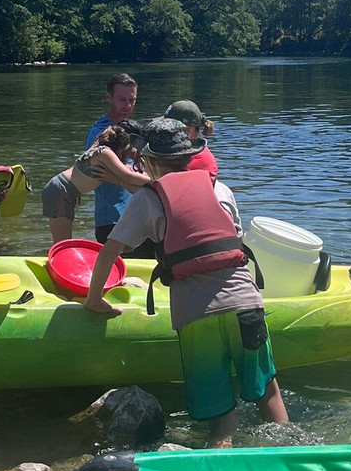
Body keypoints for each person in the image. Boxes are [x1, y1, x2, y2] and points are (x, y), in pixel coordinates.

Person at [83, 118, 289, 448]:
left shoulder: (147, 199)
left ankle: (221, 460)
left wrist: (94, 299)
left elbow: (109, 252)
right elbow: (232, 244)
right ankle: (293, 452)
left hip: (196, 315)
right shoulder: (221, 190)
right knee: (268, 392)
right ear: (190, 156)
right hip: (245, 304)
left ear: (148, 161)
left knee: (221, 417)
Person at [42, 122, 147, 243]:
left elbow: (133, 177)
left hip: (65, 192)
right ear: (125, 144)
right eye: (133, 148)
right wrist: (158, 179)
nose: (133, 152)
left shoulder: (108, 154)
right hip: (59, 190)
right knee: (62, 243)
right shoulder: (104, 153)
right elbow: (128, 177)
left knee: (64, 242)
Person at [85, 74, 141, 244]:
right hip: (112, 219)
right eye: (122, 100)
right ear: (109, 97)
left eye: (132, 100)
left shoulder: (130, 129)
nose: (127, 105)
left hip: (136, 217)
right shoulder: (100, 134)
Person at [163, 100, 219, 175]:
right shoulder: (172, 152)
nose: (172, 133)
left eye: (182, 129)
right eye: (168, 128)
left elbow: (168, 179)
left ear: (196, 129)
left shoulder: (200, 159)